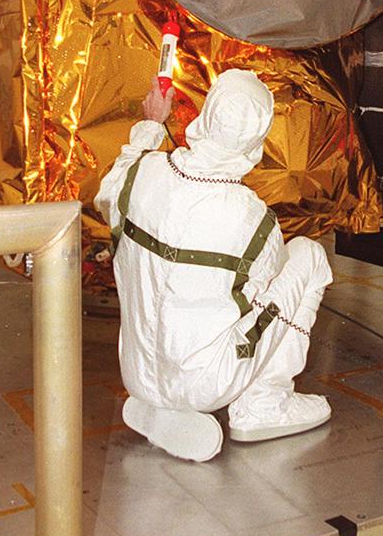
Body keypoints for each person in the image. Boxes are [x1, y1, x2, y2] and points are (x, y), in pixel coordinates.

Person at [96, 68, 333, 462]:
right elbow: (265, 298)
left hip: (136, 372)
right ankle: (263, 405)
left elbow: (109, 194)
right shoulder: (253, 218)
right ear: (258, 139)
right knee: (307, 256)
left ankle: (163, 399)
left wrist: (151, 125)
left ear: (205, 116)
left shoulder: (141, 174)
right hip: (207, 386)